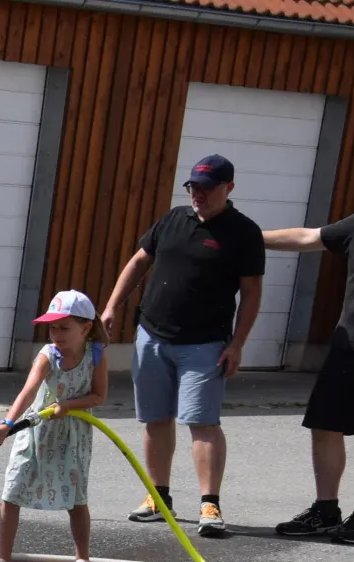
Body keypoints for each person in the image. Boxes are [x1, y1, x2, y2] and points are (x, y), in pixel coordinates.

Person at [100, 154, 265, 538]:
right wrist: (110, 308)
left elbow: (252, 293)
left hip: (205, 344)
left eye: (208, 188)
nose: (199, 195)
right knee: (155, 418)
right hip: (153, 336)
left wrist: (238, 344)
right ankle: (157, 497)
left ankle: (210, 504)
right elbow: (139, 262)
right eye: (194, 187)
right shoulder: (172, 219)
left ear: (229, 188)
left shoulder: (243, 232)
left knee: (202, 422)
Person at [0, 291, 110, 562]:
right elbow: (28, 390)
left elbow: (99, 395)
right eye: (52, 327)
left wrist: (68, 406)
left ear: (85, 327)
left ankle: (83, 559)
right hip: (36, 430)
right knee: (13, 490)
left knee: (76, 497)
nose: (56, 334)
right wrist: (6, 424)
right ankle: (3, 558)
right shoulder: (48, 355)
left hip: (73, 435)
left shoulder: (96, 353)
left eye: (64, 327)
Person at [264, 206, 354, 544]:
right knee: (325, 426)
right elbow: (309, 236)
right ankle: (326, 511)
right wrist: (250, 237)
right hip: (349, 345)